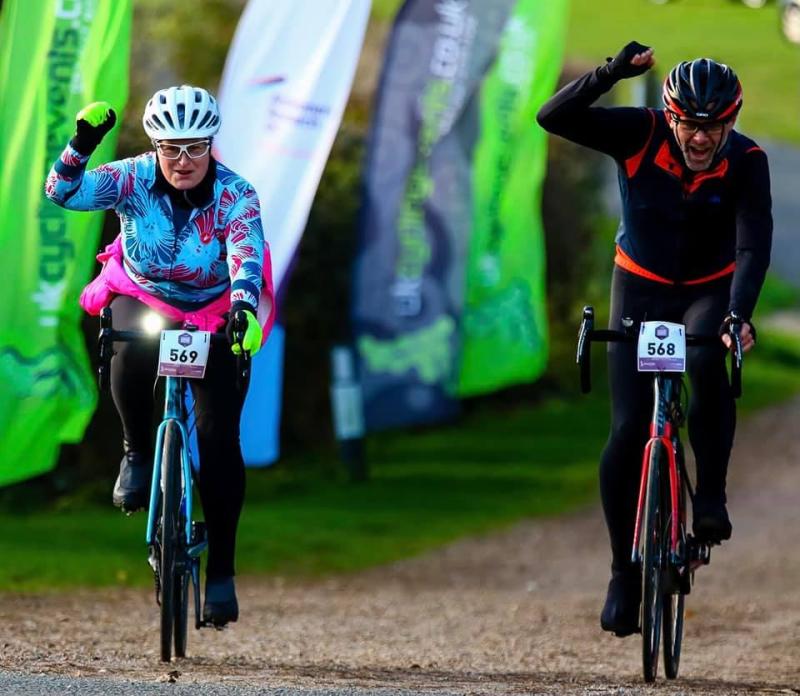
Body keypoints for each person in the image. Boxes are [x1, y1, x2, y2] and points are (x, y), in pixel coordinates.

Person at [537, 43, 772, 636]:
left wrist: (737, 314)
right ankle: (623, 571)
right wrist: (612, 73)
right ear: (671, 118)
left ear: (730, 123)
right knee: (627, 428)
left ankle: (711, 498)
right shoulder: (638, 134)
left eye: (714, 127)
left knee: (704, 355)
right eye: (691, 125)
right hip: (638, 286)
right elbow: (553, 117)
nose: (700, 139)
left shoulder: (747, 160)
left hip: (707, 290)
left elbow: (752, 245)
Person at [45, 85, 275, 627]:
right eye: (171, 148)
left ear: (211, 145)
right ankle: (135, 452)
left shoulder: (236, 193)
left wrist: (242, 307)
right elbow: (60, 192)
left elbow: (246, 254)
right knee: (127, 343)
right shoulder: (129, 177)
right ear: (154, 147)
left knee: (219, 443)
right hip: (144, 293)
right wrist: (81, 146)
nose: (183, 160)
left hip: (214, 306)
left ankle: (221, 570)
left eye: (195, 148)